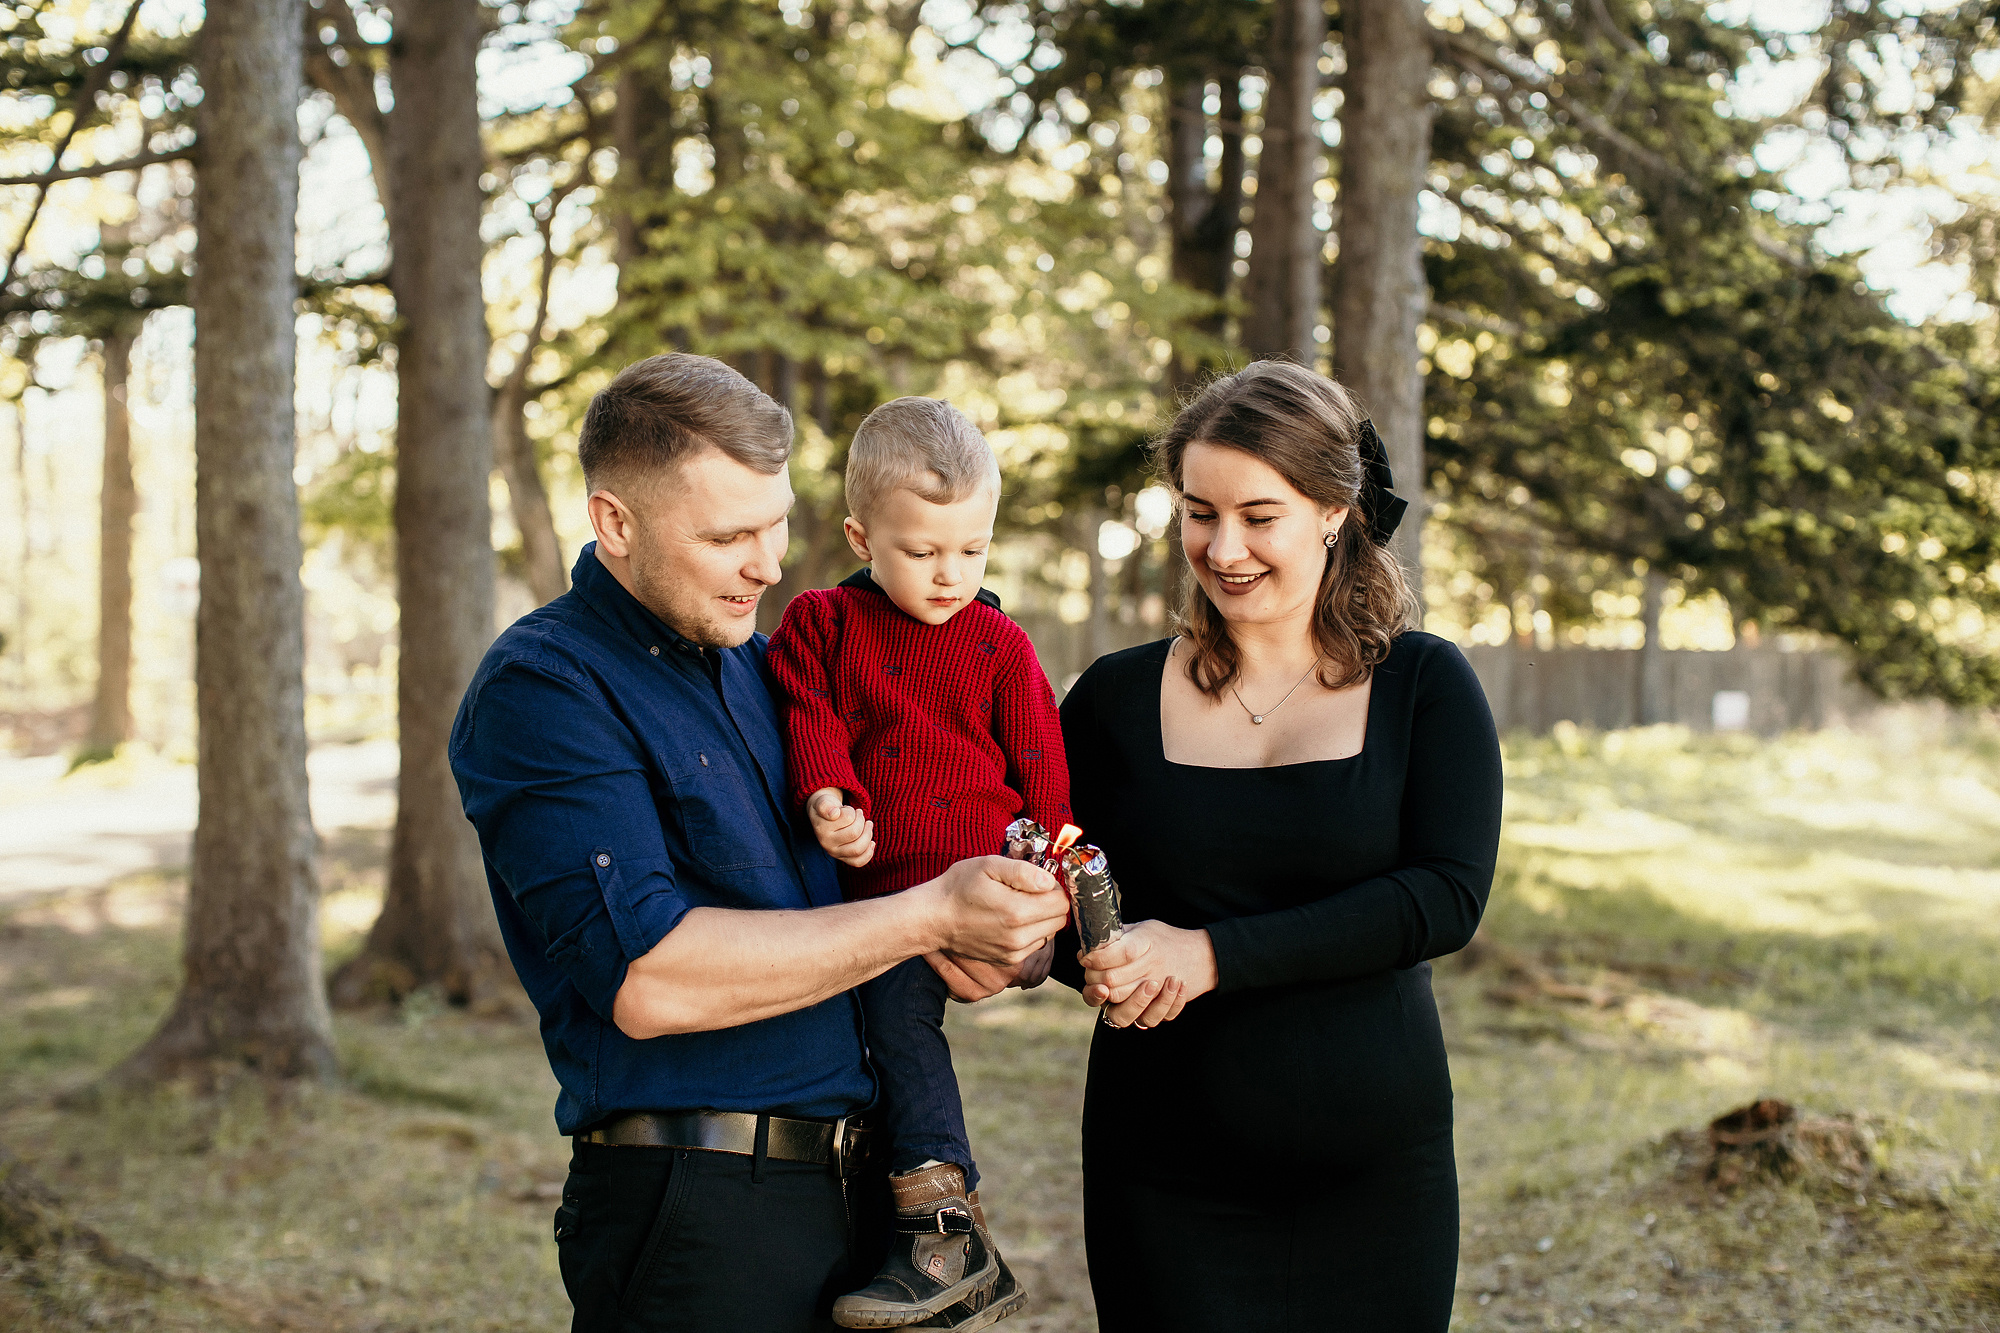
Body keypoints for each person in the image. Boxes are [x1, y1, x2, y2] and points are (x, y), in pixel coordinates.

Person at [448, 354, 1070, 1333]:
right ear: (615, 522)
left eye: (775, 520)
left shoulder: (765, 670)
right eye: (728, 534)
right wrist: (924, 914)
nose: (768, 563)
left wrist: (981, 928)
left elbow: (868, 880)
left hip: (859, 1198)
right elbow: (650, 979)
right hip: (699, 1211)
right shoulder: (546, 686)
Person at [1054, 359, 1503, 1331]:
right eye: (1197, 512)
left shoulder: (1424, 686)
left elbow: (1442, 896)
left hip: (1373, 1174)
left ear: (1333, 510)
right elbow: (1062, 897)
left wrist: (1210, 954)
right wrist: (1076, 949)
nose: (1222, 549)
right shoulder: (1112, 701)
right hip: (1161, 1174)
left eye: (1259, 516)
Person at [765, 397, 1070, 1329]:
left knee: (900, 1023)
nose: (949, 575)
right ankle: (872, 1220)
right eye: (921, 551)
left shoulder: (999, 645)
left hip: (975, 887)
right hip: (867, 888)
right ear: (862, 535)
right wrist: (828, 797)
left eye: (970, 551)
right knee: (859, 1044)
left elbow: (1044, 777)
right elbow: (804, 710)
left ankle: (948, 1232)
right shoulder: (823, 622)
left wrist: (1053, 903)